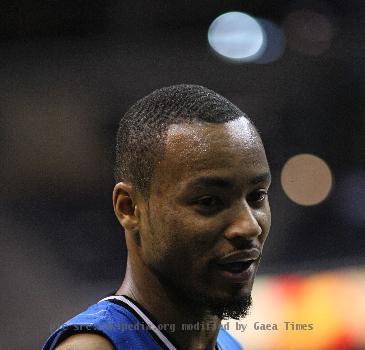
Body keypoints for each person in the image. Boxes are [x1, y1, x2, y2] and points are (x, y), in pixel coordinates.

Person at [42, 84, 271, 350]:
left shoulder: (230, 345)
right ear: (128, 208)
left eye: (256, 196)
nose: (249, 226)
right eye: (209, 201)